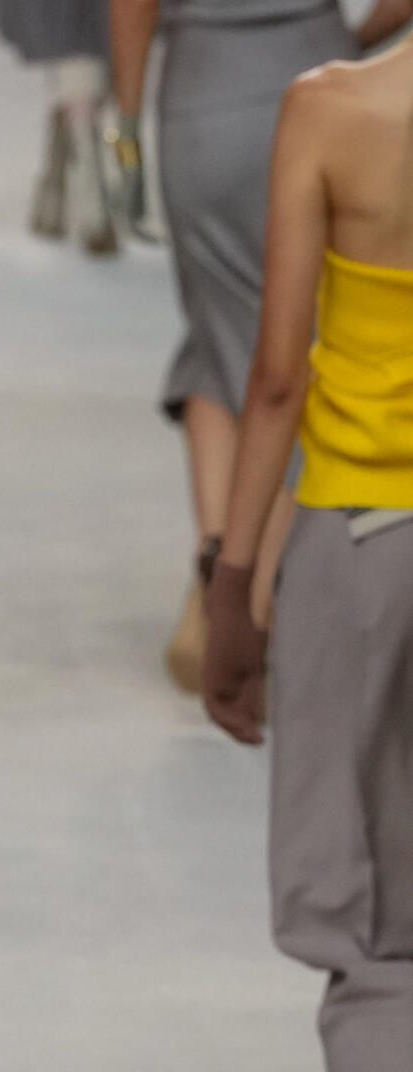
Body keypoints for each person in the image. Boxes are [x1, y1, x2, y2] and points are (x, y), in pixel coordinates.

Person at [201, 32, 413, 1072]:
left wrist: (231, 581)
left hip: (360, 546)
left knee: (366, 921)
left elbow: (276, 373)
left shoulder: (331, 110)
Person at [108, 0, 409, 690]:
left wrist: (123, 124)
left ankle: (215, 568)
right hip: (323, 76)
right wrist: (358, 37)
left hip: (202, 97)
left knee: (215, 333)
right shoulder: (335, 95)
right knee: (303, 347)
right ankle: (261, 589)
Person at [0, 0, 119, 256]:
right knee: (81, 113)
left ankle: (51, 209)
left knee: (73, 109)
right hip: (83, 31)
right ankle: (93, 218)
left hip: (85, 30)